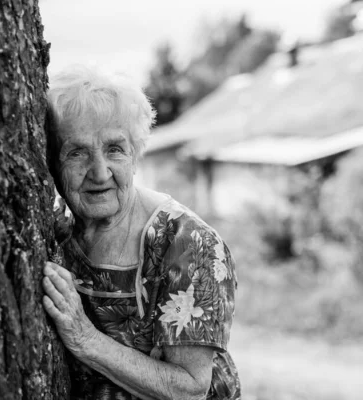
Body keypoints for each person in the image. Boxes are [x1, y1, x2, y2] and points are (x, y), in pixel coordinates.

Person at [42, 65, 240, 400]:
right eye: (77, 152)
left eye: (115, 149)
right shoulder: (55, 233)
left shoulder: (187, 243)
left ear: (135, 156)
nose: (100, 172)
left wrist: (85, 338)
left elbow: (190, 389)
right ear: (51, 162)